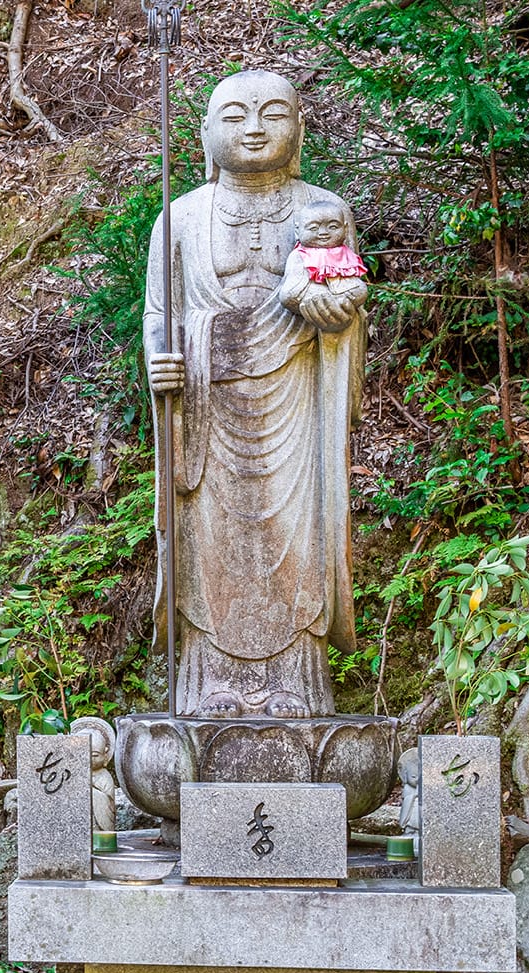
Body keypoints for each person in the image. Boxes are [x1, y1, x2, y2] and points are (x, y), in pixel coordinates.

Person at [144, 70, 366, 719]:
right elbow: (162, 312)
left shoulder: (323, 210)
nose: (253, 128)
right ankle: (212, 683)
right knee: (209, 546)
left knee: (296, 536)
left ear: (299, 130)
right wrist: (162, 359)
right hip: (208, 408)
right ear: (205, 134)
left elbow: (348, 304)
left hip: (296, 396)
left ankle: (294, 682)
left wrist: (335, 318)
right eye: (235, 116)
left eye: (272, 114)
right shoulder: (179, 215)